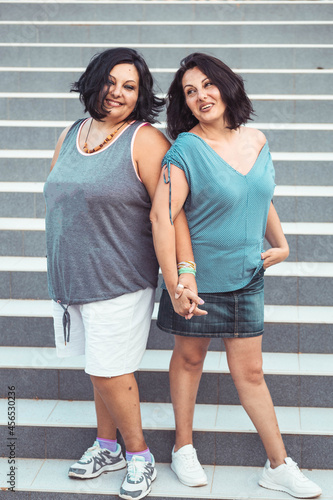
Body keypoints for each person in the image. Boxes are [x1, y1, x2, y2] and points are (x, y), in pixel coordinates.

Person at [150, 52, 322, 499]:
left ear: (226, 86)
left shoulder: (258, 139)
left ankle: (279, 465)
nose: (201, 96)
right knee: (189, 361)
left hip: (247, 276)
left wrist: (281, 243)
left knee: (252, 373)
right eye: (190, 92)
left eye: (207, 85)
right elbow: (163, 216)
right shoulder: (185, 149)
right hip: (198, 282)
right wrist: (176, 283)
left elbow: (259, 195)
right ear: (184, 104)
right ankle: (183, 447)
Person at [43, 47, 193, 500]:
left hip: (119, 280)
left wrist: (182, 273)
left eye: (130, 86)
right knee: (98, 369)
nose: (118, 93)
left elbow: (172, 213)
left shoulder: (145, 140)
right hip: (71, 281)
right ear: (93, 82)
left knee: (110, 370)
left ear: (141, 95)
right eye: (111, 82)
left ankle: (140, 455)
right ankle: (106, 446)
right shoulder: (71, 134)